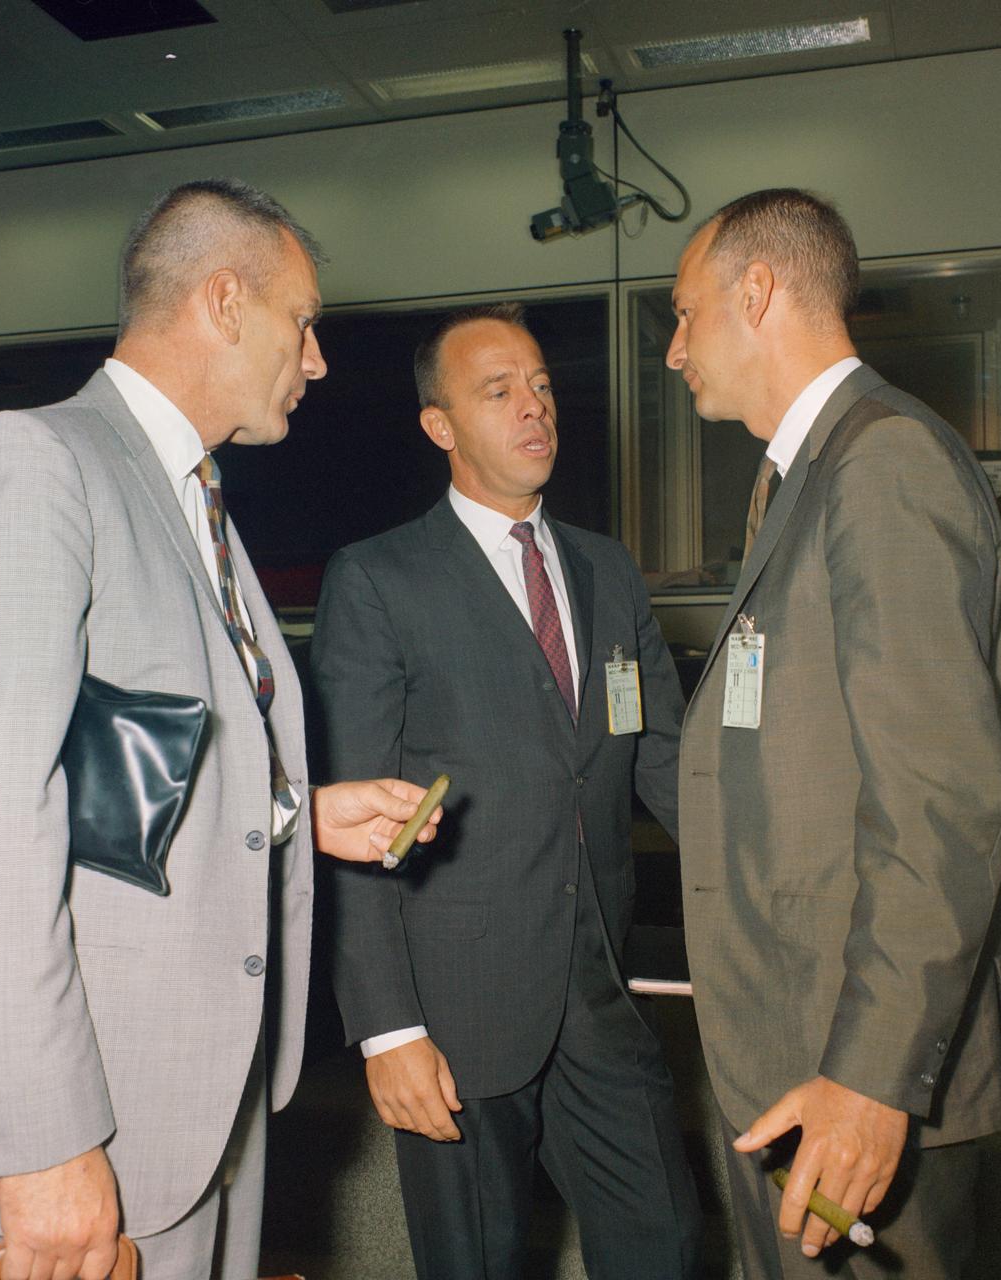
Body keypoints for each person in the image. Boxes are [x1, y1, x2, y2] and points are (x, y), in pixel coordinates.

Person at [0, 178, 439, 1280]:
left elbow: (124, 750)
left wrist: (296, 811)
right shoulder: (36, 464)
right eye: (303, 321)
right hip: (85, 1118)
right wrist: (44, 1143)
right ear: (224, 302)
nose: (317, 359)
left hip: (194, 1104)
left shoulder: (190, 494)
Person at [666, 188, 1001, 1278]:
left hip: (850, 1048)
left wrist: (870, 1077)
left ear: (755, 292)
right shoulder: (813, 472)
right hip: (793, 1029)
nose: (670, 350)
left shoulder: (881, 465)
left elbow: (937, 798)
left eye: (680, 313)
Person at [309, 303, 703, 1280]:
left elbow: (665, 760)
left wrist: (786, 887)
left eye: (538, 385)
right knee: (475, 1261)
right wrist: (388, 1027)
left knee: (664, 1235)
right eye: (497, 391)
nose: (533, 408)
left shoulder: (605, 569)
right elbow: (357, 826)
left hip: (599, 986)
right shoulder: (378, 579)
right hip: (455, 1007)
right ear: (439, 425)